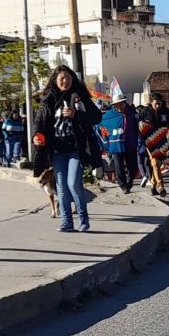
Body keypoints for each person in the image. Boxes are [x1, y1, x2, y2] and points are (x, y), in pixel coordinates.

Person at [32, 65, 102, 232]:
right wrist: (35, 136)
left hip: (76, 148)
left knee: (73, 183)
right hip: (57, 149)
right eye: (62, 78)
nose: (65, 81)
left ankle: (83, 220)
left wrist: (76, 114)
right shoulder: (48, 99)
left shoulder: (79, 97)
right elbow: (39, 122)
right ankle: (66, 222)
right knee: (62, 187)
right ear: (55, 81)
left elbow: (96, 117)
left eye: (69, 78)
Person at [100, 93, 140, 193]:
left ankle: (130, 181)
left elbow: (138, 125)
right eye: (118, 104)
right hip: (116, 145)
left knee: (133, 167)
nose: (120, 106)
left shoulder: (132, 113)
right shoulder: (108, 116)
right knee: (119, 167)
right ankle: (123, 186)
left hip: (130, 144)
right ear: (114, 105)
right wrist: (106, 140)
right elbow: (101, 126)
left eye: (122, 103)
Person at [139, 92, 169, 196]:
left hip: (162, 142)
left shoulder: (166, 111)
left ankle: (153, 184)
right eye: (156, 103)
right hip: (149, 142)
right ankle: (160, 185)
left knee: (157, 163)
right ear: (151, 102)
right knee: (155, 162)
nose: (158, 106)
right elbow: (139, 125)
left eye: (159, 103)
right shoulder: (145, 111)